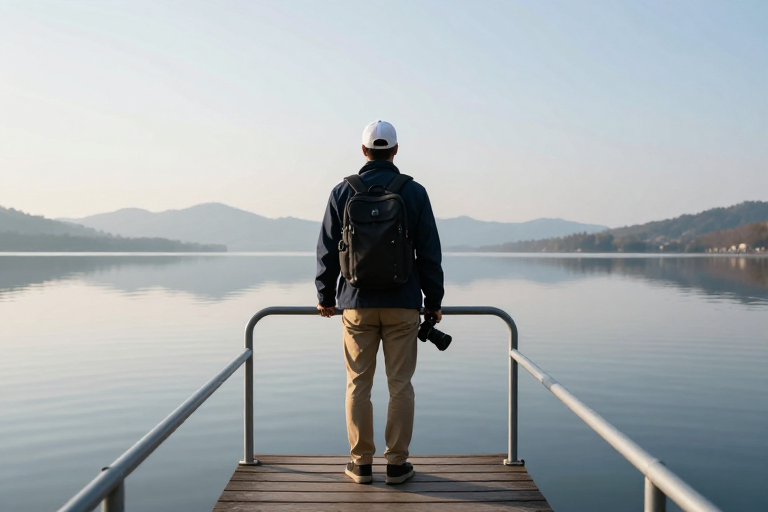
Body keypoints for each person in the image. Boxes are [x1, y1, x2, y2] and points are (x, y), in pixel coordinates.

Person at [315, 120, 444, 485]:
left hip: (356, 302)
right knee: (400, 384)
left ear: (363, 151)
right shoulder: (414, 192)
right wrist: (433, 300)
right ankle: (398, 464)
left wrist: (325, 296)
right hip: (404, 302)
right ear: (396, 151)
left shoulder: (343, 191)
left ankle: (361, 464)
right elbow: (429, 251)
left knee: (358, 384)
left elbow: (326, 248)